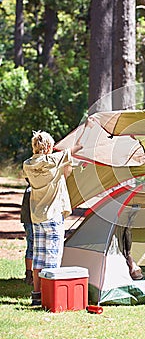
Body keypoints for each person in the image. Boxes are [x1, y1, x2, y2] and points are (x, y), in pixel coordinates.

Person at [23, 119, 92, 306]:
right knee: (52, 257)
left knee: (38, 258)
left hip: (37, 217)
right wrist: (85, 131)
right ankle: (50, 297)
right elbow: (76, 148)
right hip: (53, 216)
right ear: (47, 148)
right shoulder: (53, 160)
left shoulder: (28, 164)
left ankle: (37, 296)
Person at [20, 178, 33, 285]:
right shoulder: (31, 190)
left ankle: (29, 275)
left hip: (29, 220)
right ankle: (29, 275)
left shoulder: (31, 189)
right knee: (32, 246)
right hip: (30, 221)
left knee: (31, 246)